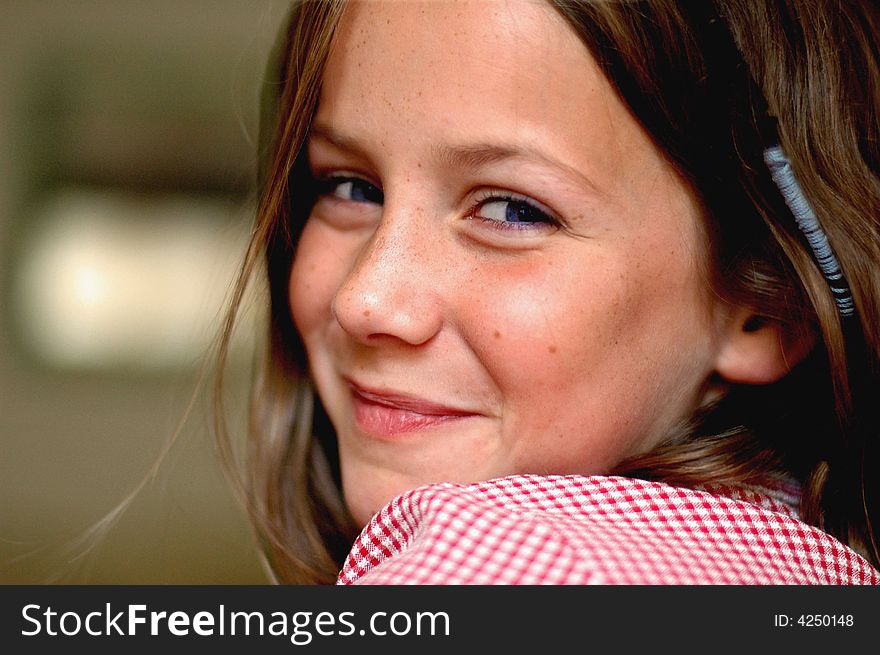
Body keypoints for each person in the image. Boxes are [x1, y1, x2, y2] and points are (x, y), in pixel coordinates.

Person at [215, 0, 880, 584]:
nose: (366, 299)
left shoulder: (492, 574)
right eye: (351, 187)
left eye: (513, 210)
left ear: (769, 306)